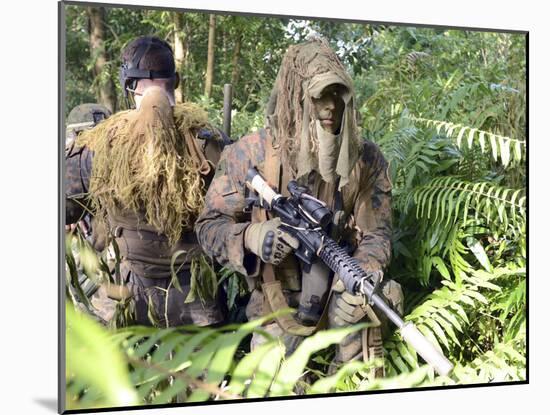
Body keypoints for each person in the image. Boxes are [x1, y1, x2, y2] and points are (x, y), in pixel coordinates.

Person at [195, 37, 403, 376]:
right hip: (274, 309)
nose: (331, 106)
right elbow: (208, 227)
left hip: (338, 296)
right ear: (295, 97)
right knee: (272, 383)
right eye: (319, 95)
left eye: (337, 94)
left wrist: (360, 279)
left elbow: (376, 234)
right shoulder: (251, 154)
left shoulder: (364, 159)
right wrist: (250, 237)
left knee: (367, 327)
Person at [66, 35, 229, 328]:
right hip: (200, 306)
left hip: (132, 304)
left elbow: (65, 208)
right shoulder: (211, 142)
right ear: (175, 80)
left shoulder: (98, 145)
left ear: (128, 83)